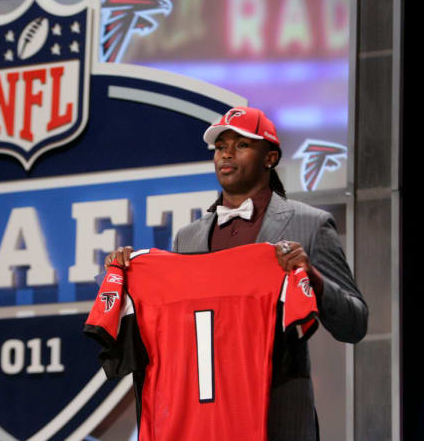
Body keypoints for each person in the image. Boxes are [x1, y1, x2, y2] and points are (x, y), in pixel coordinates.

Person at [104, 106, 368, 441]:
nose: (227, 154)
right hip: (202, 415)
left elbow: (355, 324)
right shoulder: (188, 237)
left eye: (241, 145)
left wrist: (312, 278)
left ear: (270, 158)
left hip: (278, 414)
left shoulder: (310, 224)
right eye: (220, 147)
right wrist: (125, 273)